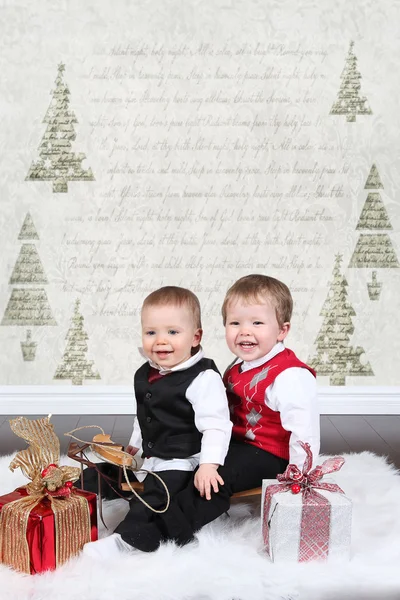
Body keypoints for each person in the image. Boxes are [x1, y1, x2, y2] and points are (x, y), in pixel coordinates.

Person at [82, 286, 232, 557]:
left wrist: (209, 466)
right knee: (100, 473)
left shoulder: (203, 378)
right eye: (151, 332)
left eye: (173, 332)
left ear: (195, 337)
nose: (160, 341)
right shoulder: (146, 373)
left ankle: (129, 540)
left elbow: (216, 426)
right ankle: (70, 501)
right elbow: (145, 416)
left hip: (183, 460)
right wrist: (135, 448)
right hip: (151, 456)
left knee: (157, 495)